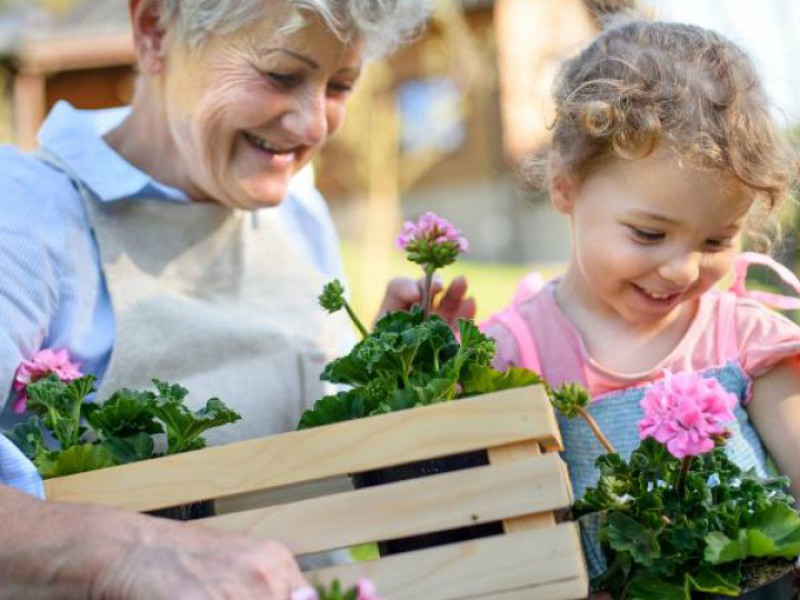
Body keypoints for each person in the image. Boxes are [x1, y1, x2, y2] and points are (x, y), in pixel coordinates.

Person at [0, 0, 479, 596]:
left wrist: (390, 393)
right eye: (281, 74)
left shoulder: (300, 214)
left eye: (340, 84)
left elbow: (305, 477)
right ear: (154, 30)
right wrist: (122, 551)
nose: (313, 126)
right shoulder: (23, 213)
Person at [481, 18, 800, 592]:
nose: (681, 269)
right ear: (565, 187)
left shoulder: (748, 339)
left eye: (715, 241)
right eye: (649, 235)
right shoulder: (518, 350)